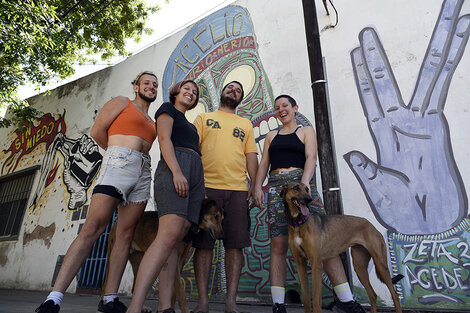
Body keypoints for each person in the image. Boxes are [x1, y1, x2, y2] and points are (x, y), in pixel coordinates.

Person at [35, 71, 159, 313]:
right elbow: (97, 131)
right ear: (136, 86)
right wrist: (116, 153)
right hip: (118, 164)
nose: (151, 87)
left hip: (143, 173)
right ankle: (54, 298)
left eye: (154, 85)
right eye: (146, 83)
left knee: (125, 235)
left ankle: (109, 299)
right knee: (93, 228)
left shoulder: (153, 122)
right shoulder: (122, 102)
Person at [253, 95, 366, 313]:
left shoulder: (305, 131)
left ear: (295, 108)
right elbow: (264, 162)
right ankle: (278, 304)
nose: (281, 110)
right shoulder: (271, 135)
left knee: (324, 243)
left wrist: (305, 184)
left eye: (285, 105)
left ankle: (347, 301)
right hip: (277, 190)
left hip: (302, 188)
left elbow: (311, 157)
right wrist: (258, 187)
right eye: (277, 107)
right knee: (278, 245)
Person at [125, 79, 204, 313]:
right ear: (175, 93)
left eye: (194, 91)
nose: (190, 93)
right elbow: (164, 139)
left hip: (195, 172)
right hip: (175, 168)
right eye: (186, 89)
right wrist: (177, 171)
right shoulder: (167, 109)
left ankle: (165, 307)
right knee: (166, 238)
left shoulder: (189, 124)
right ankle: (135, 307)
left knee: (174, 241)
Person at [191, 81, 258, 313]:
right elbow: (193, 150)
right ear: (222, 91)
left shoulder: (245, 124)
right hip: (207, 189)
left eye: (238, 90)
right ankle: (203, 302)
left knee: (235, 245)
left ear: (241, 99)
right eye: (230, 87)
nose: (234, 91)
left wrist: (256, 185)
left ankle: (231, 302)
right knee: (203, 245)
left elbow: (251, 156)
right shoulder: (204, 118)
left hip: (238, 190)